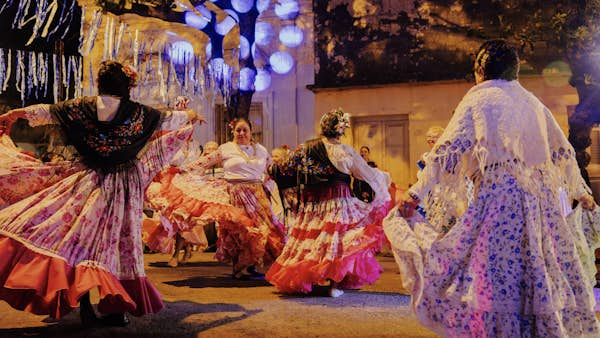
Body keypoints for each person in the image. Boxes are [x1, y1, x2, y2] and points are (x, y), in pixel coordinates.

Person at [384, 40, 599, 337]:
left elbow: (447, 150)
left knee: (495, 276)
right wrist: (581, 192)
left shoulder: (478, 99)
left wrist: (416, 192)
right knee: (536, 273)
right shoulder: (532, 102)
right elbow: (562, 152)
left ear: (481, 69)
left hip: (500, 200)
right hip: (540, 205)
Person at [0, 60, 202, 327]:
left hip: (88, 180)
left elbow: (48, 112)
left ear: (101, 83)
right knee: (118, 244)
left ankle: (84, 304)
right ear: (127, 86)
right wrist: (191, 115)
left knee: (78, 240)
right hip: (122, 185)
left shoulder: (82, 107)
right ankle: (116, 308)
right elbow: (171, 118)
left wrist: (15, 114)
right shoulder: (139, 113)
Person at [266, 108, 391, 297]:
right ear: (341, 129)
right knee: (337, 239)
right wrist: (385, 180)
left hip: (313, 203)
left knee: (314, 240)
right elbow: (366, 173)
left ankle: (309, 278)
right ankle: (334, 284)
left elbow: (281, 169)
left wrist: (276, 175)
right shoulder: (345, 152)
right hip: (338, 200)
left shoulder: (306, 148)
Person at [150, 118, 286, 279]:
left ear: (250, 132)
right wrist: (181, 171)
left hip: (257, 194)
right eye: (238, 130)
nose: (241, 133)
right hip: (236, 194)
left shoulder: (261, 150)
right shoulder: (226, 149)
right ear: (233, 132)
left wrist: (270, 182)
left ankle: (252, 264)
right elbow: (203, 163)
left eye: (244, 130)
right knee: (240, 229)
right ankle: (239, 266)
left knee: (264, 229)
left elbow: (271, 170)